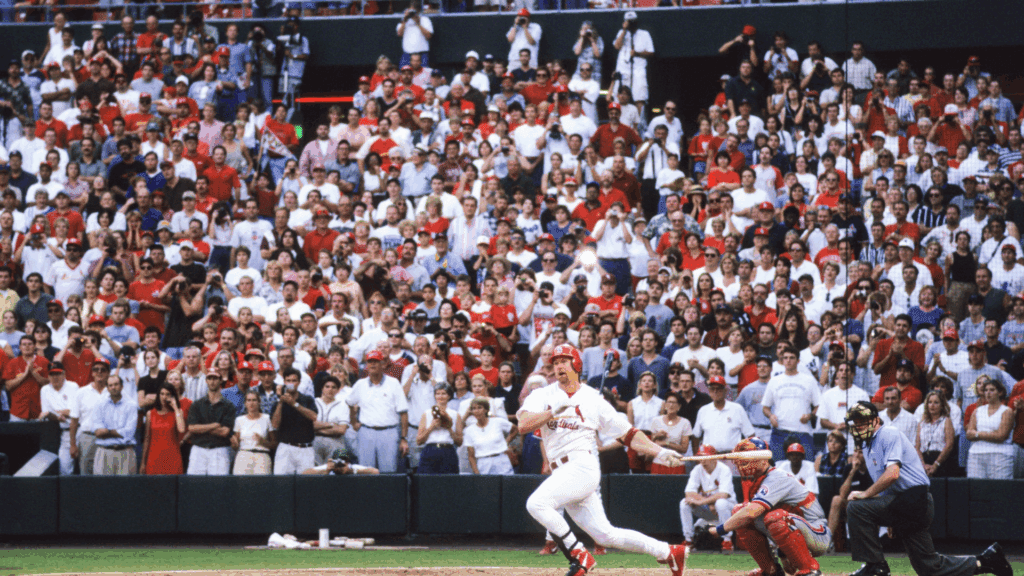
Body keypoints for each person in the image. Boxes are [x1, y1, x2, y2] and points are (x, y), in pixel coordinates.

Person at [517, 343, 688, 576]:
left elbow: (629, 434)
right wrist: (551, 411)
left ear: (576, 364)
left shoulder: (592, 399)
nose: (558, 366)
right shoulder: (542, 395)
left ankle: (579, 555)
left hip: (582, 466)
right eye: (555, 362)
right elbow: (523, 425)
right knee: (605, 535)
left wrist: (659, 451)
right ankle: (668, 551)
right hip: (562, 472)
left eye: (564, 361)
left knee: (536, 503)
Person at [843, 401, 1011, 576]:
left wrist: (866, 494)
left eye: (862, 420)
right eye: (855, 422)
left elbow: (892, 474)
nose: (858, 425)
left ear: (876, 420)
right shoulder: (867, 444)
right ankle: (987, 561)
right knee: (929, 567)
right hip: (905, 502)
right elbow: (887, 480)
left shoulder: (887, 433)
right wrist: (890, 516)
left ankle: (875, 566)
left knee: (856, 507)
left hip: (914, 499)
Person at [705, 437, 830, 576]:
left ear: (762, 459)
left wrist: (719, 529)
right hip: (795, 527)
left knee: (762, 515)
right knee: (739, 511)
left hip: (817, 532)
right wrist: (783, 553)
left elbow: (752, 513)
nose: (743, 464)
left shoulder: (776, 476)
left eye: (746, 460)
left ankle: (810, 569)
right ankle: (770, 571)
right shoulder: (756, 480)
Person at [347, 349, 409, 473]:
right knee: (365, 472)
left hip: (389, 432)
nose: (372, 364)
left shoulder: (394, 383)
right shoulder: (360, 384)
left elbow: (403, 413)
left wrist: (403, 438)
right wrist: (353, 421)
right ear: (366, 365)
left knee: (388, 472)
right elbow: (349, 403)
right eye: (370, 362)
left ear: (383, 364)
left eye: (376, 361)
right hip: (366, 432)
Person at [761, 346, 819, 461]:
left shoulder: (809, 380)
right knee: (778, 470)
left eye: (792, 358)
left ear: (798, 361)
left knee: (806, 468)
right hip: (779, 432)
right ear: (782, 361)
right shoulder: (774, 381)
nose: (788, 360)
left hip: (803, 432)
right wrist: (770, 416)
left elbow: (819, 406)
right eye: (785, 358)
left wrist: (810, 415)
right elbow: (765, 407)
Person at [680, 445, 737, 548]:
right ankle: (688, 540)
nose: (703, 460)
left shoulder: (724, 469)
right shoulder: (697, 469)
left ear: (714, 458)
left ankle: (727, 541)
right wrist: (709, 503)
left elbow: (724, 494)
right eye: (700, 457)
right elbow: (689, 493)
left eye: (706, 457)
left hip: (729, 509)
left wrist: (702, 502)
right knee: (684, 503)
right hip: (710, 508)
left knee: (721, 503)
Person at [185, 371, 234, 475]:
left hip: (219, 448)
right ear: (206, 380)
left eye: (215, 378)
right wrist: (214, 425)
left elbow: (224, 432)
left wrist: (201, 428)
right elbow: (192, 428)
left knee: (218, 486)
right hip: (199, 448)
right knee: (195, 484)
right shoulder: (197, 404)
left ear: (220, 380)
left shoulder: (228, 405)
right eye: (210, 378)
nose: (212, 381)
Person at [965, 379, 1014, 479]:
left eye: (992, 390)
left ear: (1000, 392)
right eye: (986, 390)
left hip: (1000, 456)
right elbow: (969, 434)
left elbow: (1001, 436)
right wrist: (991, 434)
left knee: (999, 490)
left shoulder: (1007, 411)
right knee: (976, 489)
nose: (988, 393)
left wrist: (977, 434)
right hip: (976, 455)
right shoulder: (977, 411)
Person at [273, 368, 317, 475]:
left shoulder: (307, 399)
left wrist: (294, 404)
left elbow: (313, 417)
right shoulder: (278, 402)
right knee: (281, 483)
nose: (291, 384)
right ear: (284, 382)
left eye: (294, 381)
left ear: (299, 382)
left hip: (305, 448)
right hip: (285, 447)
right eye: (288, 381)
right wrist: (280, 401)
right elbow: (274, 425)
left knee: (306, 484)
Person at [37, 362, 78, 475]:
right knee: (64, 469)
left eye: (58, 374)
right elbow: (47, 414)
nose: (55, 377)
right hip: (64, 433)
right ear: (48, 376)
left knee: (86, 468)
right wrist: (59, 414)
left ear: (64, 374)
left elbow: (75, 412)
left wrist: (62, 413)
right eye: (52, 374)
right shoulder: (45, 390)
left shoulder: (73, 386)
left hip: (79, 431)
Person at [93, 374, 138, 475]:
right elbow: (97, 431)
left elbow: (129, 432)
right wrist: (117, 432)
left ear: (122, 386)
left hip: (125, 452)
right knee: (102, 488)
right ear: (107, 388)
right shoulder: (100, 404)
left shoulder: (131, 405)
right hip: (104, 452)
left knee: (125, 488)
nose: (113, 387)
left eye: (116, 384)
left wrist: (107, 431)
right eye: (110, 385)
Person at [463, 397, 517, 475]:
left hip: (501, 460)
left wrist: (506, 442)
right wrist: (477, 473)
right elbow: (471, 456)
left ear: (486, 409)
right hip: (483, 463)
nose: (477, 411)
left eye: (479, 408)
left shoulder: (497, 421)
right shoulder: (469, 430)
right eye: (474, 408)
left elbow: (515, 429)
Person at [415, 383, 461, 474]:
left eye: (443, 393)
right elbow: (419, 440)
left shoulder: (455, 415)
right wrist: (431, 427)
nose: (440, 396)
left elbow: (459, 441)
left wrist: (449, 428)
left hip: (448, 450)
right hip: (430, 449)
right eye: (438, 393)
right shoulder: (426, 414)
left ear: (449, 396)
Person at [140, 382, 185, 475]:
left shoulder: (178, 412)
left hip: (172, 457)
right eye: (162, 394)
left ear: (172, 396)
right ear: (158, 395)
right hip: (154, 457)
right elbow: (147, 439)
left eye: (167, 394)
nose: (164, 397)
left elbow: (182, 429)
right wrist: (143, 463)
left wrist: (175, 407)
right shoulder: (150, 413)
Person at [232, 389, 273, 475]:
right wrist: (234, 443)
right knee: (241, 485)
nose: (251, 403)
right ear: (245, 403)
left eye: (254, 400)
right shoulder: (239, 420)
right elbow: (236, 444)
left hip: (262, 456)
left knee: (262, 486)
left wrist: (264, 442)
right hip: (244, 455)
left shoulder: (266, 418)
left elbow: (274, 443)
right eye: (249, 400)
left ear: (259, 402)